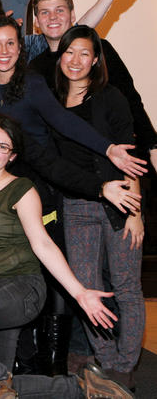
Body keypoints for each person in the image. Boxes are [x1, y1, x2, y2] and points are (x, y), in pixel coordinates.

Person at [0, 116, 133, 399]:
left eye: (2, 147)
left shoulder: (21, 189)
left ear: (12, 156)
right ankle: (82, 388)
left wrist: (80, 293)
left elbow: (42, 244)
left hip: (21, 289)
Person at [54, 26, 144, 390]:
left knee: (126, 286)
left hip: (120, 204)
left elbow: (130, 155)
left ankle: (124, 364)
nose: (75, 61)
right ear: (61, 56)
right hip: (76, 208)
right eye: (69, 52)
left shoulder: (111, 97)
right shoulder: (54, 101)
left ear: (95, 60)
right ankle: (106, 360)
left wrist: (136, 213)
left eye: (84, 54)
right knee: (89, 286)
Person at [0, 15, 146, 180]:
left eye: (10, 43)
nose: (4, 51)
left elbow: (64, 120)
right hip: (1, 178)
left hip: (40, 180)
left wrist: (107, 148)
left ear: (20, 47)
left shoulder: (32, 83)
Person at [28, 0, 156, 169]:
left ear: (72, 16)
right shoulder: (35, 69)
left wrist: (152, 145)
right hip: (68, 171)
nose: (52, 17)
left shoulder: (101, 50)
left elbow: (131, 100)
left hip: (116, 160)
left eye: (59, 10)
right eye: (45, 12)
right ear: (37, 21)